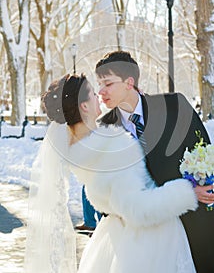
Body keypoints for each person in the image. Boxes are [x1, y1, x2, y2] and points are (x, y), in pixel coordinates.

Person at [24, 73, 200, 273]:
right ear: (84, 106)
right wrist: (186, 192)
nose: (98, 94)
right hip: (147, 244)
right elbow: (137, 209)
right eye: (92, 92)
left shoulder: (80, 149)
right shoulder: (111, 148)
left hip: (114, 238)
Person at [95, 50, 214, 273]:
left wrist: (200, 186)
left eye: (108, 83)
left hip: (192, 225)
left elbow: (203, 150)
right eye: (99, 84)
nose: (101, 91)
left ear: (129, 82)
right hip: (138, 235)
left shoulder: (174, 106)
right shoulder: (102, 128)